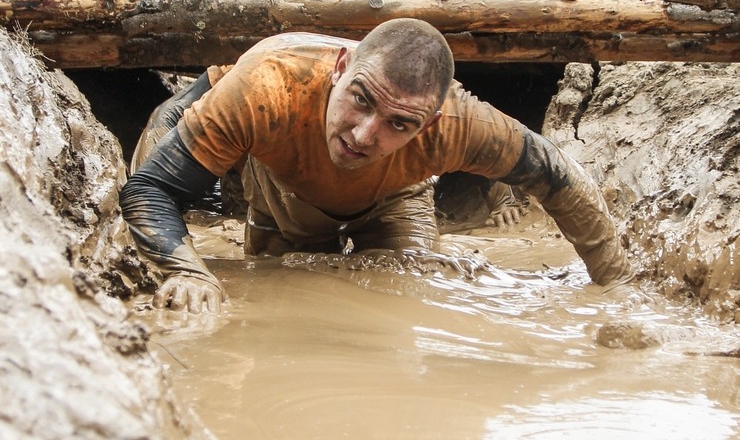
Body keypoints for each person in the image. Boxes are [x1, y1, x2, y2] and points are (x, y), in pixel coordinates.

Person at [120, 18, 633, 314]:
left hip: (395, 197)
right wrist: (184, 271)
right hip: (283, 185)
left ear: (430, 125)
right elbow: (150, 186)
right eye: (361, 100)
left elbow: (560, 177)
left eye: (399, 124)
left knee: (400, 296)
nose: (365, 135)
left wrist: (617, 288)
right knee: (282, 288)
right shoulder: (268, 85)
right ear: (341, 68)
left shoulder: (460, 122)